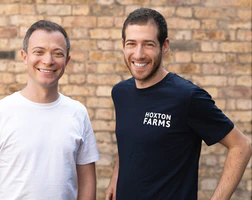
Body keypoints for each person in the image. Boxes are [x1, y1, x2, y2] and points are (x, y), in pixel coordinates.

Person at [105, 8, 252, 200]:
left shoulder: (187, 97)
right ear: (124, 45)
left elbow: (241, 146)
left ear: (164, 46)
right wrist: (115, 178)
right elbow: (130, 141)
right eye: (132, 44)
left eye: (148, 44)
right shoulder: (120, 93)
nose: (138, 54)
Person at [0, 20, 100, 200]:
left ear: (67, 60)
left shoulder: (78, 113)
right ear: (25, 56)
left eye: (57, 53)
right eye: (39, 52)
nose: (48, 60)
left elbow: (87, 184)